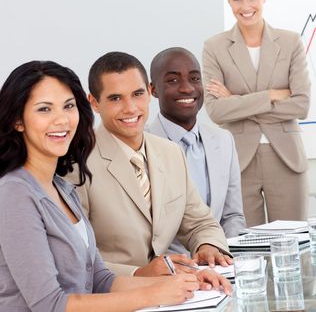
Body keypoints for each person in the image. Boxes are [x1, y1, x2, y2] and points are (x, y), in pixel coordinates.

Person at [0, 61, 231, 312]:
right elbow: (49, 304)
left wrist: (185, 281)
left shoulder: (62, 189)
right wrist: (153, 293)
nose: (62, 120)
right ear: (17, 120)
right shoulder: (14, 193)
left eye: (68, 106)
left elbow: (101, 279)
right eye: (44, 109)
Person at [67, 51, 233, 277]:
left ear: (149, 92)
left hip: (172, 293)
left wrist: (208, 245)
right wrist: (139, 273)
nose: (130, 108)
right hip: (114, 296)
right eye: (116, 98)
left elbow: (200, 223)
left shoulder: (170, 153)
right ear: (94, 103)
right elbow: (76, 256)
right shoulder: (77, 166)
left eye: (137, 94)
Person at [202, 0, 310, 227]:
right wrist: (271, 95)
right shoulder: (214, 47)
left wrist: (236, 100)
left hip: (286, 158)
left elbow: (301, 105)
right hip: (239, 161)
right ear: (229, 1)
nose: (245, 6)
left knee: (291, 243)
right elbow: (216, 111)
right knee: (246, 247)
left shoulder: (290, 42)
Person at [148, 47, 246, 243]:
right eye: (173, 80)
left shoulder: (223, 140)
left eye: (194, 78)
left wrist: (224, 254)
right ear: (153, 90)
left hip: (220, 262)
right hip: (168, 267)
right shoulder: (142, 145)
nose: (187, 88)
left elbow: (232, 216)